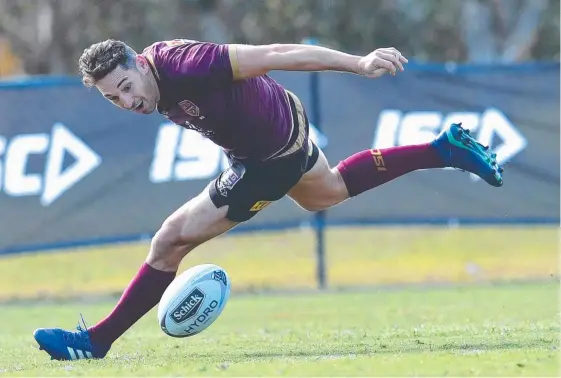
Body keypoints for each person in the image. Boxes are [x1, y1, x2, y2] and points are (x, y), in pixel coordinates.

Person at [33, 38, 503, 360]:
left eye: (127, 88)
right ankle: (442, 149)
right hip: (281, 132)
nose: (128, 102)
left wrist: (358, 63)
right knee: (328, 193)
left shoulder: (188, 64)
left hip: (268, 160)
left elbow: (278, 52)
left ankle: (96, 342)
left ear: (139, 63)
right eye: (114, 99)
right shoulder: (153, 80)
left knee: (170, 241)